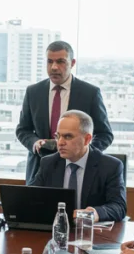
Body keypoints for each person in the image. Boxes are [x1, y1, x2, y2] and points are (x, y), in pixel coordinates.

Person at [16, 41, 113, 183]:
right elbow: (23, 130)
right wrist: (35, 143)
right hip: (40, 170)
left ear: (72, 63)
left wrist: (81, 152)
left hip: (78, 170)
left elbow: (105, 134)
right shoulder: (33, 92)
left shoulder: (90, 93)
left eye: (60, 62)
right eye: (50, 62)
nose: (54, 67)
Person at [28, 110, 127, 222]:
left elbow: (119, 207)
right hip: (56, 231)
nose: (60, 142)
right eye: (58, 136)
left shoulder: (110, 166)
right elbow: (30, 197)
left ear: (87, 139)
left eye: (68, 137)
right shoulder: (48, 163)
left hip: (92, 234)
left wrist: (95, 213)